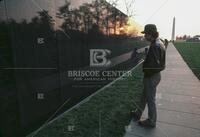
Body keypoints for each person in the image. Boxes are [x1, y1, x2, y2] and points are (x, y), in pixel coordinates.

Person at [131, 24, 166, 127]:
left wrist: (143, 64)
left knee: (150, 100)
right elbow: (157, 61)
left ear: (150, 34)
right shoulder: (159, 43)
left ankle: (151, 121)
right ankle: (138, 113)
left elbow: (153, 65)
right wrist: (147, 58)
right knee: (144, 96)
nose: (145, 36)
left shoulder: (155, 46)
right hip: (155, 75)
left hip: (151, 77)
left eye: (146, 34)